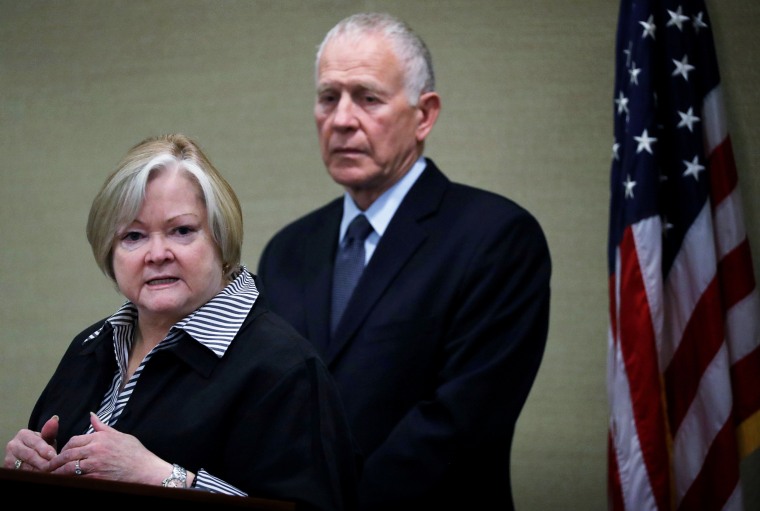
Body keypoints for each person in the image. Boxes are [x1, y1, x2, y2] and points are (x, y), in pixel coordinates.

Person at [257, 12, 552, 511]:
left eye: (368, 97)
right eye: (329, 97)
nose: (342, 119)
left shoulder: (497, 237)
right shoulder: (287, 249)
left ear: (425, 114)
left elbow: (460, 422)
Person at [3, 133, 359, 511]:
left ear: (221, 239)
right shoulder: (88, 347)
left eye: (182, 231)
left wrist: (163, 478)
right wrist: (26, 470)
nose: (157, 254)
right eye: (134, 236)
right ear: (109, 252)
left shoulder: (286, 369)